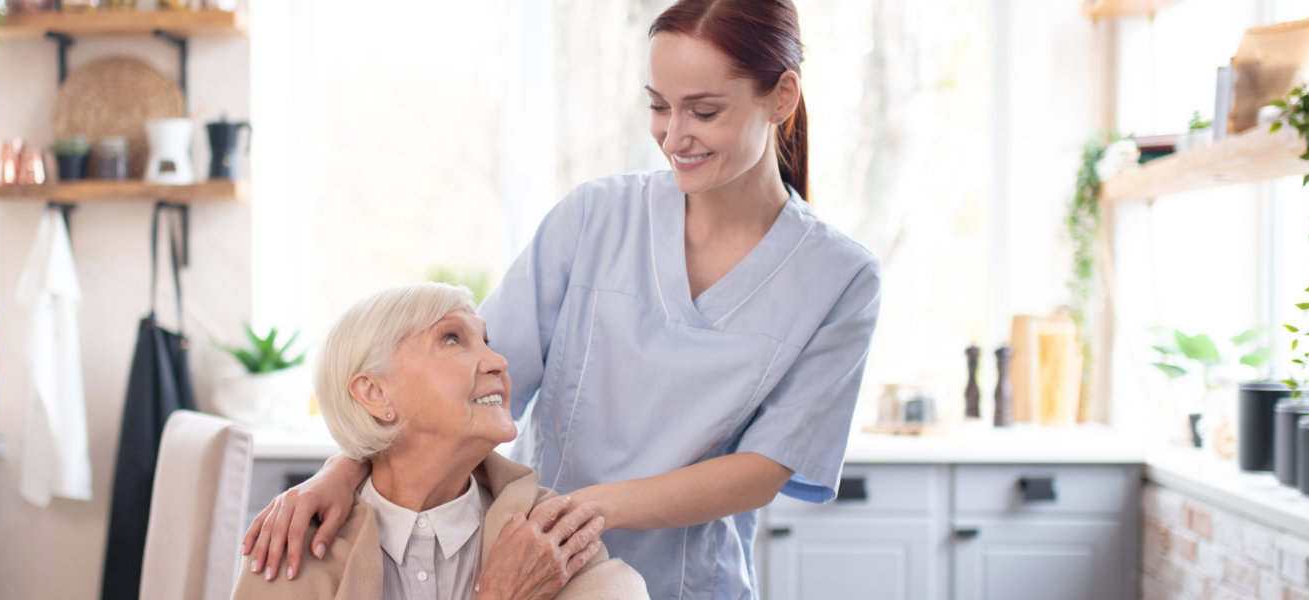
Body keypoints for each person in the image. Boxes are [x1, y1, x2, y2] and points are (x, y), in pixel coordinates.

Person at [244, 1, 881, 598]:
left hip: (678, 580)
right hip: (537, 572)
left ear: (782, 97)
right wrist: (342, 469)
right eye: (659, 106)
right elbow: (471, 388)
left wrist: (578, 512)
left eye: (704, 111)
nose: (673, 135)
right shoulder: (595, 217)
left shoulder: (840, 279)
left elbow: (764, 468)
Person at [233, 283, 647, 600]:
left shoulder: (552, 547)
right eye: (452, 339)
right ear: (375, 394)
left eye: (487, 342)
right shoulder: (290, 551)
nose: (498, 362)